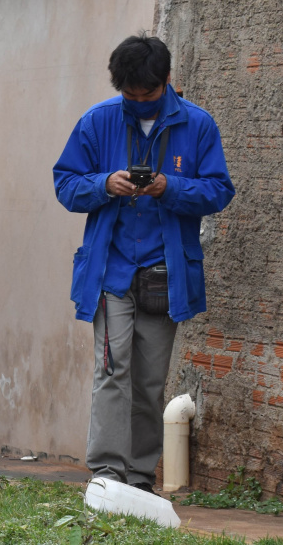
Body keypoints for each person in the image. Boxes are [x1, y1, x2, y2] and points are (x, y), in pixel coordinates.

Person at [52, 33, 234, 495]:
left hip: (164, 276)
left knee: (150, 382)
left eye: (147, 94)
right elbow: (65, 184)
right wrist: (102, 184)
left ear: (167, 79)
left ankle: (138, 479)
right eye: (129, 95)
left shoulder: (198, 125)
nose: (138, 102)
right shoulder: (97, 121)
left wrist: (170, 187)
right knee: (112, 374)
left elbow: (218, 191)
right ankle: (107, 475)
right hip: (109, 273)